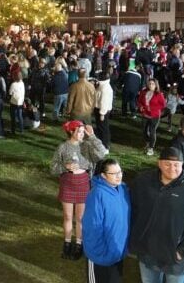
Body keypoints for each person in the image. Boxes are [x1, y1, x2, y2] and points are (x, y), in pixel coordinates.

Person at [129, 147, 184, 282]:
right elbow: (131, 208)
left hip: (174, 257)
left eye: (176, 165)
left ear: (182, 165)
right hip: (147, 251)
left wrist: (183, 252)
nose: (172, 168)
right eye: (167, 164)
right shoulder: (142, 182)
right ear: (159, 163)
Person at [51, 120, 108, 260]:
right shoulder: (63, 147)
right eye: (80, 131)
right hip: (67, 183)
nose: (82, 134)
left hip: (83, 182)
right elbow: (52, 168)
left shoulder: (87, 146)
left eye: (83, 132)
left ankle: (78, 244)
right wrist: (65, 167)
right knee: (68, 216)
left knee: (80, 218)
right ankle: (67, 242)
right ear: (71, 131)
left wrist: (92, 136)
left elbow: (102, 154)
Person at [82, 158, 130, 283]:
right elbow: (91, 226)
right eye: (114, 173)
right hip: (100, 255)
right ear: (103, 175)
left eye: (120, 172)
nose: (119, 176)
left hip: (117, 252)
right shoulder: (97, 194)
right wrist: (98, 252)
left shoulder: (123, 189)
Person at [137, 78, 166, 156]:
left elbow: (163, 105)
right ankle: (147, 142)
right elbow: (139, 101)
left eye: (152, 84)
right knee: (144, 130)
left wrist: (152, 108)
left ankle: (151, 148)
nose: (150, 85)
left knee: (152, 131)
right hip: (145, 114)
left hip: (154, 115)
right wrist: (140, 107)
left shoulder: (159, 94)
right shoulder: (144, 92)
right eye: (149, 83)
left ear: (156, 85)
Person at [93, 71, 113, 150]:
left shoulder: (105, 88)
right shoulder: (103, 85)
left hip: (102, 111)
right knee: (101, 128)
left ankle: (105, 146)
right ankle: (102, 144)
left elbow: (104, 101)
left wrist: (102, 113)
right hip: (99, 110)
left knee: (103, 129)